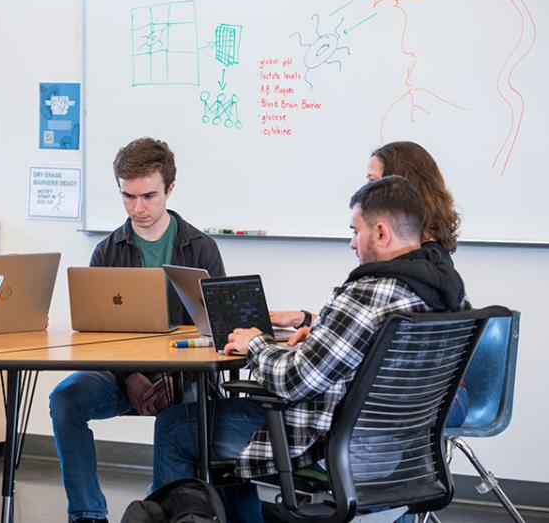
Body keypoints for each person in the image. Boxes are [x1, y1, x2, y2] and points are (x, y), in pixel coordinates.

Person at [151, 176, 468, 522]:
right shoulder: (448, 294)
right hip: (402, 454)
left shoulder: (368, 294)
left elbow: (292, 381)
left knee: (176, 428)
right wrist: (314, 343)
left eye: (355, 231)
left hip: (329, 446)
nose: (351, 243)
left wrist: (255, 342)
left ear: (381, 233)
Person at [49, 137, 225, 523]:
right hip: (122, 374)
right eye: (128, 197)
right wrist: (131, 377)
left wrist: (174, 379)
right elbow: (96, 336)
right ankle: (87, 514)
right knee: (65, 401)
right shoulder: (108, 250)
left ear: (170, 190)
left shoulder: (201, 248)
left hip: (184, 374)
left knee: (183, 413)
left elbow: (217, 333)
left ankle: (165, 513)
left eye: (148, 196)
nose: (138, 208)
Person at [273, 141, 469, 426]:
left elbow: (386, 334)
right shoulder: (435, 268)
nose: (367, 192)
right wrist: (312, 322)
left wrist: (260, 344)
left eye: (373, 182)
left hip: (424, 400)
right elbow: (385, 327)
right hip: (439, 392)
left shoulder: (413, 266)